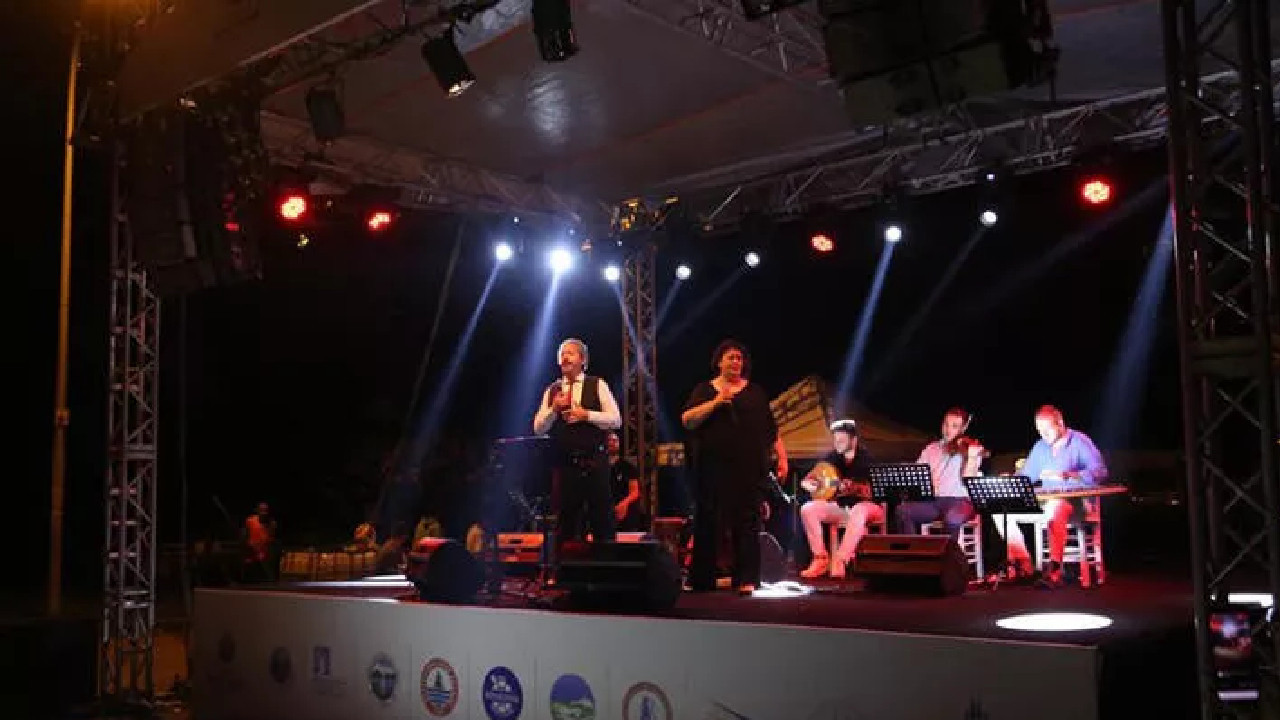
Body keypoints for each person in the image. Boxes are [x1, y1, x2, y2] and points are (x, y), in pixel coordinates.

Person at [682, 340, 789, 595]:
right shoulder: (705, 390)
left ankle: (747, 578)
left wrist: (782, 458)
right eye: (730, 357)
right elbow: (687, 420)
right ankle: (702, 579)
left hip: (748, 469)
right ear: (719, 362)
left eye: (739, 358)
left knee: (747, 522)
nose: (736, 362)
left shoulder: (755, 393)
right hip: (712, 467)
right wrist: (717, 402)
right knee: (708, 521)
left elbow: (771, 430)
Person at [992, 405, 1108, 586]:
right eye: (1039, 431)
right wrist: (1012, 480)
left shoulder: (1079, 441)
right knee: (1001, 513)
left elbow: (1101, 472)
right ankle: (1024, 565)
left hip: (1077, 503)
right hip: (1046, 502)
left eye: (1047, 430)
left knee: (1056, 507)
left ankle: (1054, 572)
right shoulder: (1040, 446)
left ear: (1060, 424)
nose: (1043, 435)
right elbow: (1027, 476)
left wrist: (1071, 475)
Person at [532, 338, 622, 546]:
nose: (565, 357)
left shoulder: (597, 384)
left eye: (570, 353)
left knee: (602, 520)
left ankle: (606, 562)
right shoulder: (552, 390)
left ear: (583, 360)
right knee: (566, 523)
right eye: (562, 354)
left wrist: (587, 415)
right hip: (565, 465)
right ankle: (566, 564)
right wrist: (554, 409)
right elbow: (538, 428)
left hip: (595, 462)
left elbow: (616, 419)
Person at [798, 419, 880, 579]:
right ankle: (820, 558)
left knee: (858, 510)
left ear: (853, 440)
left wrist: (854, 488)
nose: (837, 444)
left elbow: (872, 491)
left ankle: (840, 559)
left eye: (841, 440)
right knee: (808, 509)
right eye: (835, 440)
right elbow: (812, 478)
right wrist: (809, 483)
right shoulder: (833, 457)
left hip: (868, 508)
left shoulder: (866, 459)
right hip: (843, 508)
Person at [892, 408, 985, 537]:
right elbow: (916, 473)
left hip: (961, 501)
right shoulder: (931, 448)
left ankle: (948, 550)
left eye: (954, 426)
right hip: (934, 502)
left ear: (963, 429)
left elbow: (968, 480)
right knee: (902, 511)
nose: (948, 430)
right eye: (946, 424)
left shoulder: (969, 449)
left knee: (952, 519)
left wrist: (972, 457)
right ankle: (913, 548)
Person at [605, 432, 644, 531]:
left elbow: (635, 492)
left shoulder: (627, 467)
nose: (612, 443)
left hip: (625, 512)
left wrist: (624, 504)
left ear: (619, 444)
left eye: (615, 440)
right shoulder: (600, 467)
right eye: (609, 440)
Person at [243, 501, 278, 582]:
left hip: (264, 553)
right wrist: (249, 546)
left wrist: (262, 551)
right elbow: (245, 536)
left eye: (266, 510)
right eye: (262, 510)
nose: (264, 512)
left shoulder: (272, 523)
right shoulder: (250, 521)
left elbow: (271, 539)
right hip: (251, 551)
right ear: (257, 510)